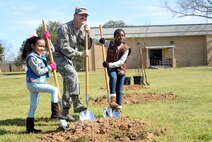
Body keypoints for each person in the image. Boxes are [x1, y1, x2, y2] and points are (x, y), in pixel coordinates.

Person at [22, 34, 67, 134]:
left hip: (36, 84)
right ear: (32, 46)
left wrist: (48, 40)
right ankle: (55, 112)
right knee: (54, 90)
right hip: (34, 84)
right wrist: (50, 67)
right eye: (40, 46)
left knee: (33, 106)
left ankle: (30, 128)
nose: (42, 48)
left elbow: (51, 50)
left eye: (43, 46)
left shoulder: (40, 55)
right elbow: (38, 72)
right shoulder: (31, 58)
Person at [53, 6, 91, 121]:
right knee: (72, 74)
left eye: (86, 16)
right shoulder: (64, 28)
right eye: (81, 15)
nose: (84, 17)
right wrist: (80, 54)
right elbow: (64, 48)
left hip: (70, 59)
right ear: (74, 16)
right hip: (59, 56)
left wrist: (87, 33)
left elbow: (87, 46)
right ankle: (76, 102)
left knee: (68, 83)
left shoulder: (81, 31)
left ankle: (64, 112)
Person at [94, 29, 131, 113]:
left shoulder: (126, 49)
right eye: (118, 35)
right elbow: (94, 41)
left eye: (122, 35)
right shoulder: (109, 43)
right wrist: (100, 40)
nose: (120, 37)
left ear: (124, 37)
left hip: (120, 69)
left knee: (119, 90)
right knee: (113, 78)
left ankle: (118, 109)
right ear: (114, 37)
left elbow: (121, 62)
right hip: (111, 69)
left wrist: (109, 64)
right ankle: (112, 99)